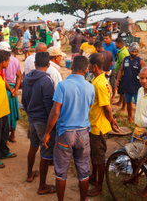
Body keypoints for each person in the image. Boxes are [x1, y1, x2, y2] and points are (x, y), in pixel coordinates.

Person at [42, 56, 95, 201]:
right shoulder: (90, 87)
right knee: (83, 171)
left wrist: (47, 133)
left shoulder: (63, 86)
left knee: (61, 172)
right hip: (83, 133)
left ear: (72, 67)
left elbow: (55, 111)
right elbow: (88, 108)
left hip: (65, 133)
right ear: (86, 70)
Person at [22, 52, 56, 195]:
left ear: (35, 64)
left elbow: (23, 101)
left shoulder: (27, 78)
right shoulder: (46, 81)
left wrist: (30, 116)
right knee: (45, 153)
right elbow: (50, 106)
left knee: (33, 146)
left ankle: (30, 174)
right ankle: (42, 185)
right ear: (48, 65)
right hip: (43, 120)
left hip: (32, 118)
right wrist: (51, 128)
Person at [87, 53, 119, 197]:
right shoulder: (98, 80)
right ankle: (94, 177)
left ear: (94, 66)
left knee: (99, 159)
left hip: (98, 128)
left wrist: (112, 120)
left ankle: (99, 186)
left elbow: (106, 107)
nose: (88, 67)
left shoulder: (100, 84)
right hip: (94, 124)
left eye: (89, 64)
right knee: (94, 156)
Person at [0, 41, 22, 143]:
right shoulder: (15, 60)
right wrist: (15, 90)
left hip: (5, 89)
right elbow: (19, 76)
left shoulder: (1, 62)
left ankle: (5, 136)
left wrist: (11, 89)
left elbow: (2, 78)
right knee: (13, 111)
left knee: (6, 113)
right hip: (13, 90)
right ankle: (13, 135)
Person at [114, 42, 145, 120]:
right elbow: (121, 70)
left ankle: (139, 119)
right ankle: (130, 117)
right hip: (127, 85)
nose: (134, 53)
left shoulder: (140, 61)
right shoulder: (125, 59)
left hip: (137, 87)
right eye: (132, 51)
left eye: (136, 52)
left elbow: (144, 74)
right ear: (129, 51)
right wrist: (117, 80)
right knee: (128, 102)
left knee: (139, 104)